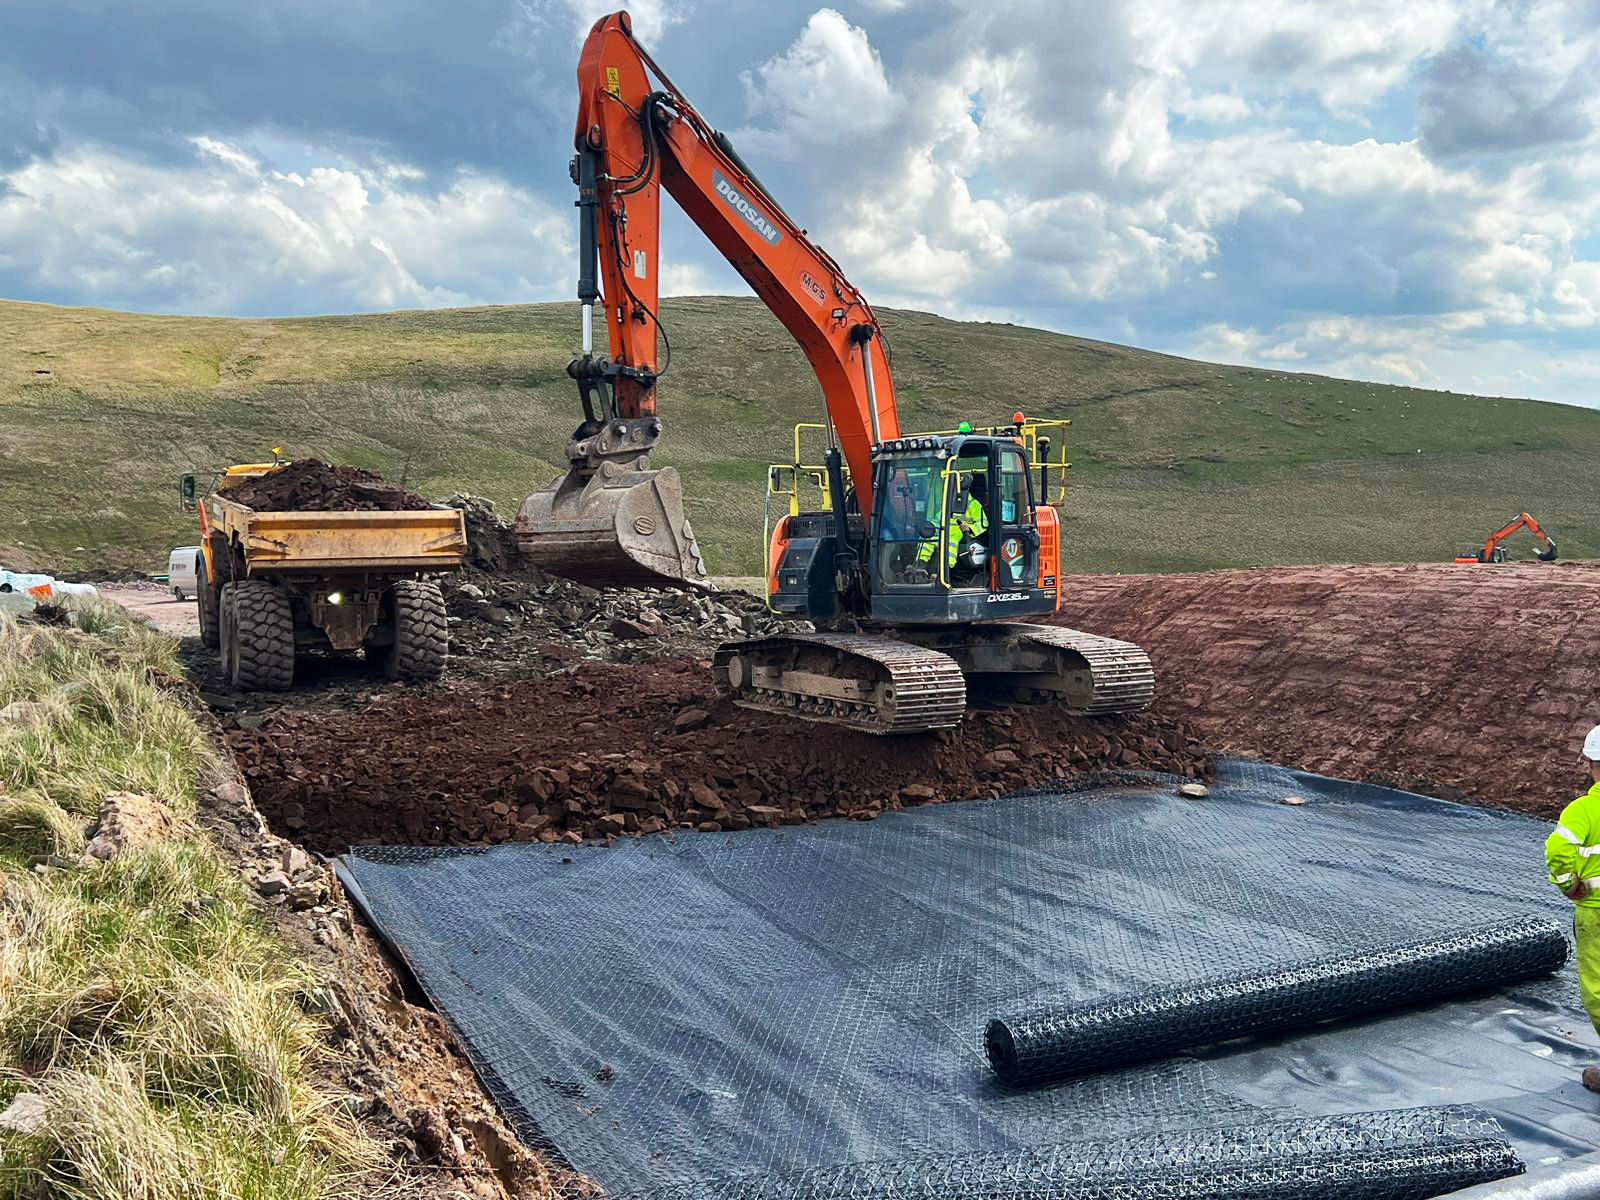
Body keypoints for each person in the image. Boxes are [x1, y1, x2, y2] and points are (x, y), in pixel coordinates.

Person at [1546, 723, 1600, 1092]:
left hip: (1595, 912)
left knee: (1598, 990)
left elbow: (1558, 851)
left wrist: (1569, 885)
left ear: (1591, 763)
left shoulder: (1584, 811)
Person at [917, 472, 989, 574]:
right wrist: (930, 527)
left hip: (959, 534)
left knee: (950, 543)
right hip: (942, 531)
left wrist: (969, 528)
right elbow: (937, 519)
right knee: (927, 538)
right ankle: (921, 565)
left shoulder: (973, 504)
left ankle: (944, 570)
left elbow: (983, 523)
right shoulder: (947, 504)